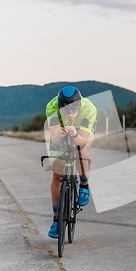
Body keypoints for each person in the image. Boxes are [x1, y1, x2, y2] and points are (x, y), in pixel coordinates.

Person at [45, 86, 97, 238]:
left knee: (80, 149)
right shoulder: (51, 106)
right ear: (60, 106)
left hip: (82, 131)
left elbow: (82, 139)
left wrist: (74, 135)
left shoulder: (89, 109)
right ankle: (56, 220)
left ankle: (84, 185)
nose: (71, 113)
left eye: (74, 109)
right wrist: (60, 135)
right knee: (57, 175)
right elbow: (54, 138)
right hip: (61, 130)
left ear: (80, 105)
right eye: (66, 110)